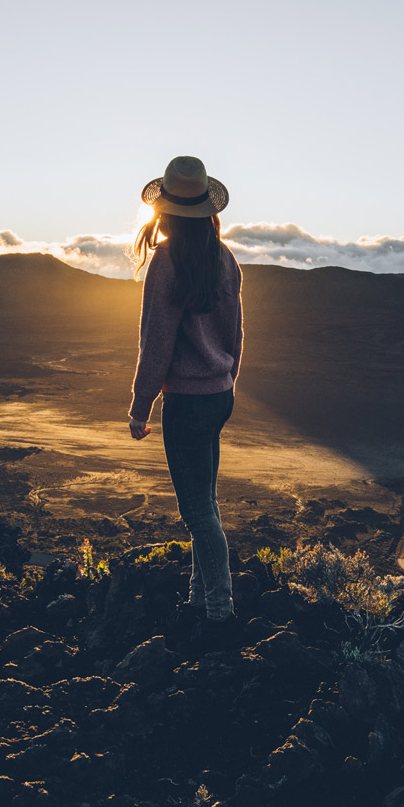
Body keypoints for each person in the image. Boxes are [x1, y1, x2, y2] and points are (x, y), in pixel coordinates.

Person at [128, 155, 244, 644]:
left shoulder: (167, 263)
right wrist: (226, 378)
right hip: (219, 395)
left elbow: (156, 343)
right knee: (206, 501)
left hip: (188, 403)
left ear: (166, 210)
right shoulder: (225, 259)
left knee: (197, 511)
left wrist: (140, 406)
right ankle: (199, 596)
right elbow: (237, 334)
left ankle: (219, 612)